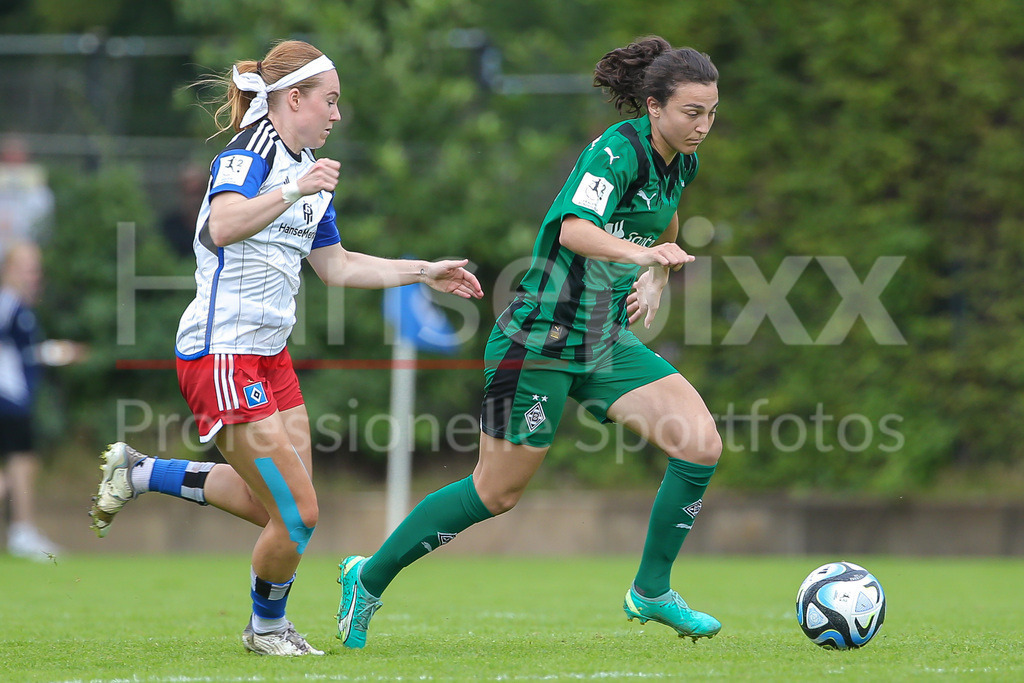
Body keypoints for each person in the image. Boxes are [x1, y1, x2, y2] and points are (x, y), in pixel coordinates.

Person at [88, 40, 483, 656]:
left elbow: (339, 266)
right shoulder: (250, 156)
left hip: (270, 358)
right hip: (223, 354)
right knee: (298, 514)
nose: (337, 114)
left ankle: (140, 472)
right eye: (329, 100)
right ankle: (266, 628)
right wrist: (294, 187)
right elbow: (223, 225)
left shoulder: (310, 175)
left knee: (269, 503)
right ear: (292, 98)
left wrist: (424, 271)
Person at [336, 35, 723, 648]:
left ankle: (651, 591)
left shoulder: (682, 162)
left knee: (699, 445)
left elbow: (664, 225)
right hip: (539, 337)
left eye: (710, 113)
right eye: (690, 113)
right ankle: (368, 577)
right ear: (653, 107)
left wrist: (653, 275)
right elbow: (574, 231)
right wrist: (646, 254)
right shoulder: (615, 151)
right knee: (496, 493)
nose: (702, 126)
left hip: (602, 338)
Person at [1, 242, 86, 561]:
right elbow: (23, 352)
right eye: (27, 268)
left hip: (14, 399)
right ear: (9, 270)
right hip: (9, 399)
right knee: (20, 467)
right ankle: (22, 531)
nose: (34, 276)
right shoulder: (10, 305)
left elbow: (25, 351)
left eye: (36, 269)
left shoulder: (19, 308)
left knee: (19, 468)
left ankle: (22, 531)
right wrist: (61, 352)